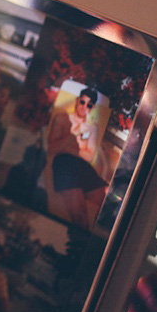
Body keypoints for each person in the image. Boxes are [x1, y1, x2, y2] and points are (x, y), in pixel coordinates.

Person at [44, 87, 107, 227]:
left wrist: (67, 146)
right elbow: (51, 149)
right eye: (82, 102)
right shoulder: (62, 119)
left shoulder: (92, 127)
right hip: (64, 164)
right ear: (77, 101)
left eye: (89, 105)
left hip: (84, 168)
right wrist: (71, 136)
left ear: (92, 108)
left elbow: (89, 156)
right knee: (80, 215)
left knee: (111, 202)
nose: (84, 107)